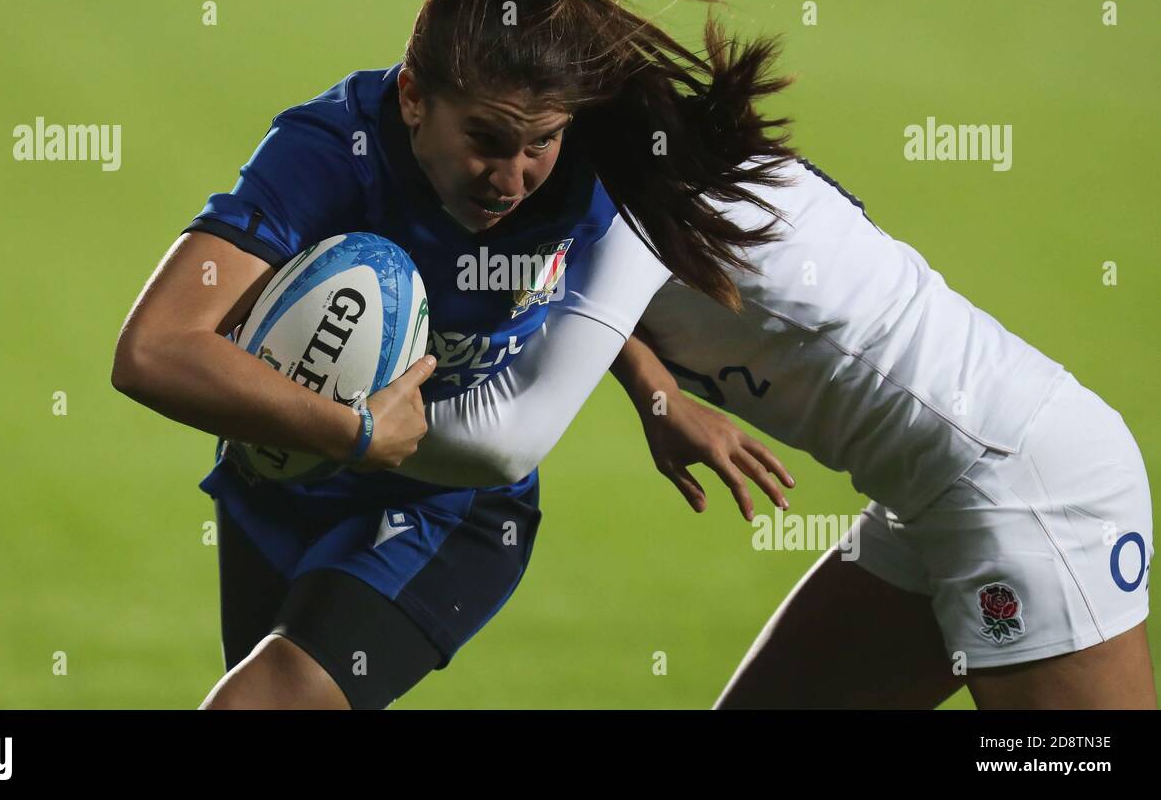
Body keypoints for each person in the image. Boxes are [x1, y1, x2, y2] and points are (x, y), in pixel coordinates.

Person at [110, 0, 795, 709]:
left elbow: (567, 282)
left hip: (449, 508)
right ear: (410, 98)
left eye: (537, 143)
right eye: (486, 140)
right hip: (282, 476)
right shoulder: (327, 153)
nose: (511, 179)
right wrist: (349, 431)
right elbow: (153, 350)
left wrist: (654, 391)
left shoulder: (584, 161)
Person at [427, 154, 1156, 708]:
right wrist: (655, 386)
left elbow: (506, 438)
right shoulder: (669, 170)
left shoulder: (629, 223)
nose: (508, 165)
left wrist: (347, 430)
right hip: (933, 495)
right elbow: (585, 291)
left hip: (1025, 488)